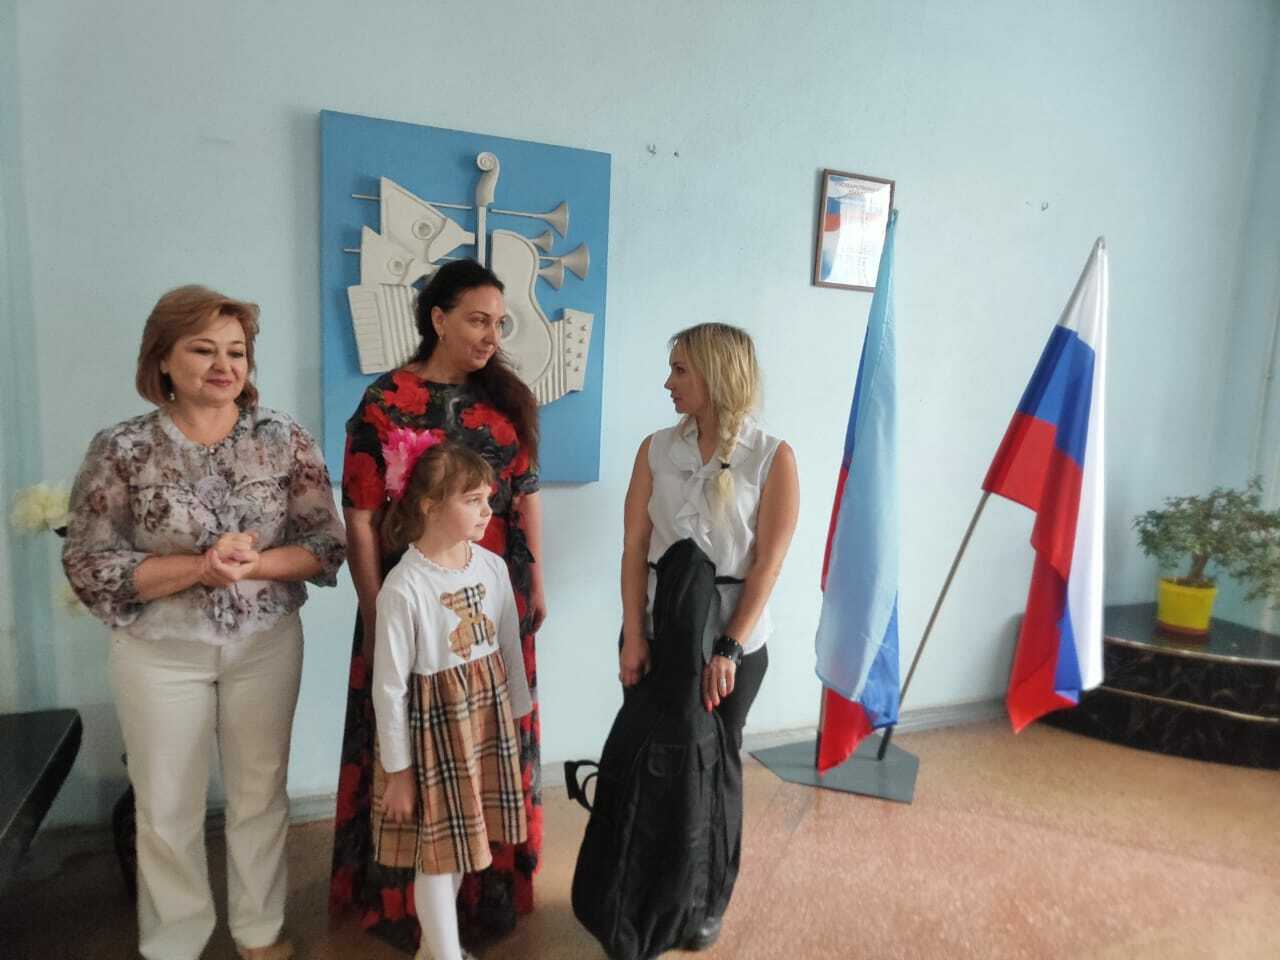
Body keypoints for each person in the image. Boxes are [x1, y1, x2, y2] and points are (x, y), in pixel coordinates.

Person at [62, 285, 346, 960]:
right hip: (158, 650)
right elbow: (89, 562)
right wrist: (198, 567)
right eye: (203, 349)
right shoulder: (122, 447)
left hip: (265, 643)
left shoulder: (283, 438)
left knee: (260, 793)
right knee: (166, 805)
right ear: (162, 359)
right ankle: (174, 942)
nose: (224, 366)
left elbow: (325, 544)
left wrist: (251, 566)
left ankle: (259, 932)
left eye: (236, 352)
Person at [330, 259, 545, 949]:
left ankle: (488, 889)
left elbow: (525, 495)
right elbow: (361, 514)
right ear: (438, 319)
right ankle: (415, 912)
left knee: (490, 736)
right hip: (416, 596)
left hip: (492, 589)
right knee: (414, 746)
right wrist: (372, 611)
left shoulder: (506, 398)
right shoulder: (387, 399)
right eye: (478, 320)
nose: (491, 336)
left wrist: (535, 580)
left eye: (499, 323)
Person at [619, 321, 799, 950]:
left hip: (731, 636)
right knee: (654, 761)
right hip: (662, 627)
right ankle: (646, 890)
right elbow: (635, 546)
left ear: (717, 376)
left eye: (680, 370)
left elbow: (769, 562)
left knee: (715, 767)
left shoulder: (772, 457)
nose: (668, 383)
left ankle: (705, 898)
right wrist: (633, 633)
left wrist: (730, 647)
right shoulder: (654, 450)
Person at [371, 442, 532, 960]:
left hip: (483, 725)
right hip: (435, 736)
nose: (488, 510)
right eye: (473, 500)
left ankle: (433, 951)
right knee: (437, 857)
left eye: (488, 498)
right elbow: (389, 687)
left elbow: (508, 644)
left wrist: (517, 715)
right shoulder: (404, 587)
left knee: (463, 844)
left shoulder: (491, 567)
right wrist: (399, 773)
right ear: (430, 506)